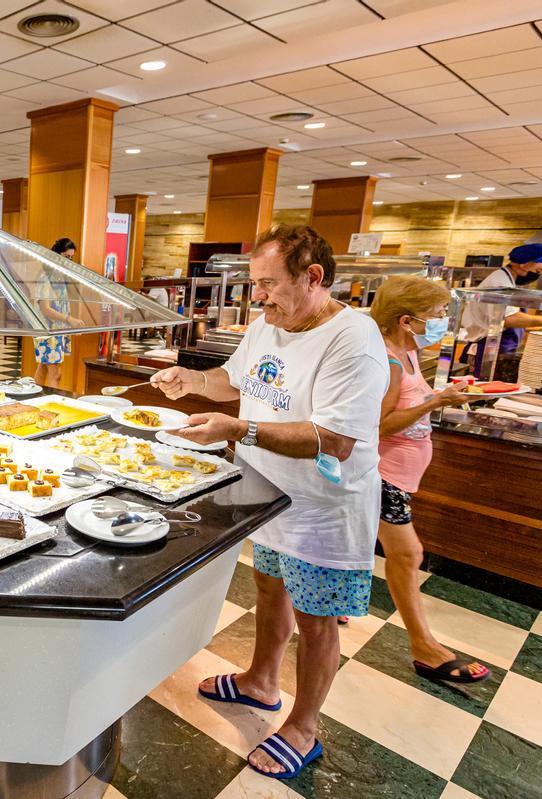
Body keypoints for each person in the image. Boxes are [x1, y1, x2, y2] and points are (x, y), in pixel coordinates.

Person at [152, 224, 388, 781]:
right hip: (266, 496)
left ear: (313, 277)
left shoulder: (353, 338)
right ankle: (261, 680)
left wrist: (241, 429)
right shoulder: (266, 324)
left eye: (267, 284)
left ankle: (304, 728)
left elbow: (335, 438)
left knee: (316, 617)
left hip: (324, 507)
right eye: (254, 284)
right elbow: (231, 382)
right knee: (268, 586)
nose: (257, 297)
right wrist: (189, 380)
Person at [369, 276, 491, 682]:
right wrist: (438, 400)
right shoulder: (387, 362)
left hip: (402, 477)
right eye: (437, 315)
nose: (442, 321)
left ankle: (332, 609)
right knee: (407, 555)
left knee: (362, 545)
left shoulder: (409, 355)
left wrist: (445, 394)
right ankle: (424, 646)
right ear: (407, 320)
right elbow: (380, 425)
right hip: (385, 477)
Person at [459, 243, 542, 374]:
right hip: (489, 347)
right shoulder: (499, 283)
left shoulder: (508, 280)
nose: (541, 271)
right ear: (524, 264)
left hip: (500, 346)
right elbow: (508, 319)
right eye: (539, 268)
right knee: (484, 387)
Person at [34, 237, 85, 386]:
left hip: (58, 330)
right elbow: (46, 309)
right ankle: (51, 403)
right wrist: (69, 320)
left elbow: (62, 305)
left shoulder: (59, 277)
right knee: (55, 373)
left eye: (71, 258)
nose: (68, 261)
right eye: (66, 256)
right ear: (56, 254)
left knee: (44, 367)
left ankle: (34, 400)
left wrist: (70, 324)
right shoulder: (46, 277)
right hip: (47, 331)